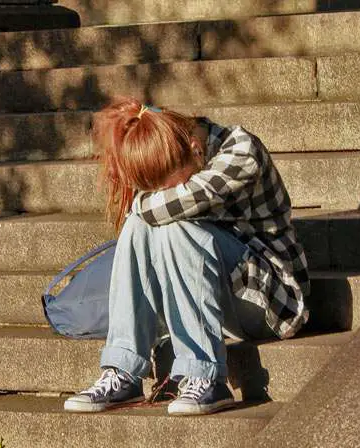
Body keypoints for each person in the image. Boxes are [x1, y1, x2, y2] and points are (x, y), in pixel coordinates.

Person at [63, 98, 310, 416]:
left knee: (169, 223)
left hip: (272, 301)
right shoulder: (181, 150)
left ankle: (205, 377)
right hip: (221, 299)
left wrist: (141, 203)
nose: (166, 193)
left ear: (195, 148)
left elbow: (161, 206)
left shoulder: (241, 151)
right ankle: (123, 369)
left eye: (172, 185)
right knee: (147, 224)